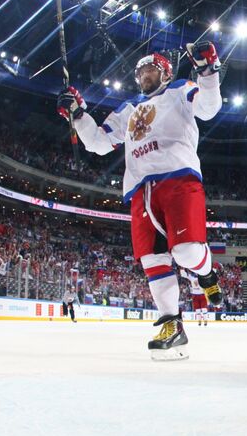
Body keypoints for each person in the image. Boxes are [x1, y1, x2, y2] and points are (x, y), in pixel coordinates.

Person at [56, 43, 223, 361]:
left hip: (179, 179)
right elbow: (99, 143)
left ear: (166, 72)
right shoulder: (127, 110)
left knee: (186, 252)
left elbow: (209, 108)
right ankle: (171, 326)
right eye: (141, 71)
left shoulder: (180, 90)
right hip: (139, 190)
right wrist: (78, 115)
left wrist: (207, 71)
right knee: (153, 261)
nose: (145, 74)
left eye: (151, 69)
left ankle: (206, 273)